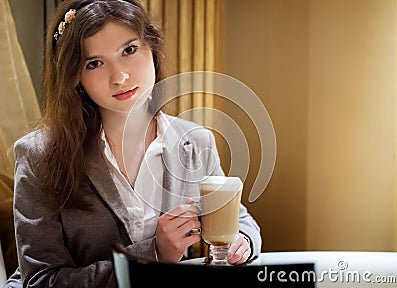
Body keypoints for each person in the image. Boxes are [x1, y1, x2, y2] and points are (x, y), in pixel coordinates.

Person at [3, 0, 262, 287]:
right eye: (95, 63)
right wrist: (153, 254)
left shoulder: (195, 142)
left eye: (129, 50)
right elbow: (41, 280)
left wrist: (243, 241)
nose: (120, 77)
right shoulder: (39, 155)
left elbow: (239, 220)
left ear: (151, 47)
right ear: (75, 77)